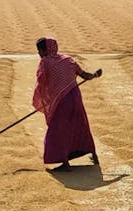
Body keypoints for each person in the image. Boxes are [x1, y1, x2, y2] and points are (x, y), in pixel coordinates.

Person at [32, 37, 101, 172]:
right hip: (75, 98)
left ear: (44, 50)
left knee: (58, 131)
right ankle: (94, 155)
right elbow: (85, 75)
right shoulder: (68, 60)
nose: (39, 53)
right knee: (81, 125)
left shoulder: (45, 62)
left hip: (61, 102)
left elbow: (42, 83)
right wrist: (95, 75)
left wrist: (44, 100)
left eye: (39, 50)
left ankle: (65, 164)